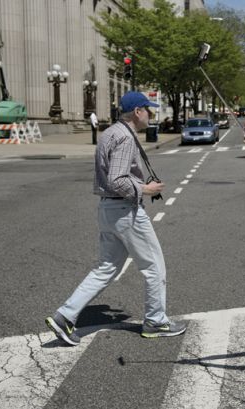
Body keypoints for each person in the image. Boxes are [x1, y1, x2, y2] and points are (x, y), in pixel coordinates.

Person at [45, 91, 187, 346]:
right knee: (154, 267)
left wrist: (140, 183)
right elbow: (117, 180)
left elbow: (114, 176)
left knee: (106, 268)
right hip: (125, 211)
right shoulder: (124, 138)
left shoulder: (110, 132)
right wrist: (146, 189)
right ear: (137, 112)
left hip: (108, 209)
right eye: (149, 110)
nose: (152, 115)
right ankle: (156, 321)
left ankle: (65, 316)